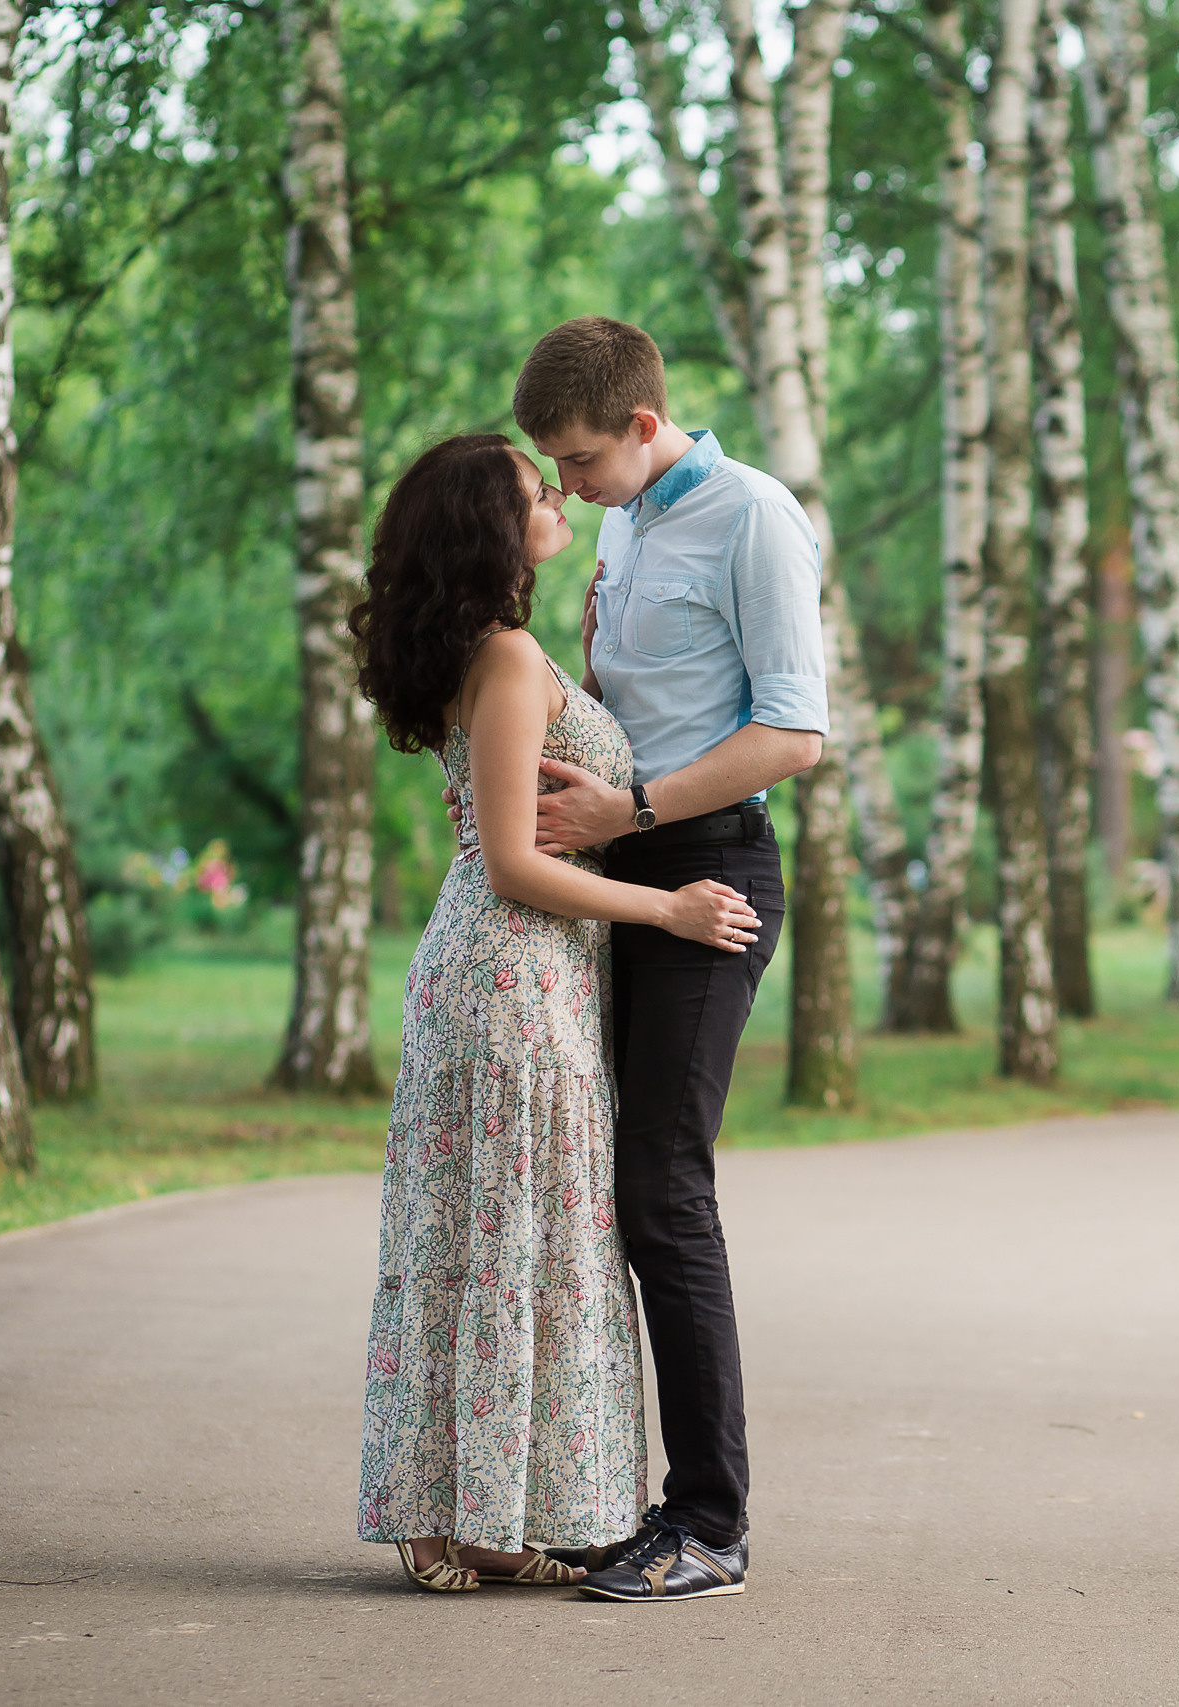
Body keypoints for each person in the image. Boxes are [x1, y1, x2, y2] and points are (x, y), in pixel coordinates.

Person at [449, 317, 827, 1602]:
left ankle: (708, 1526)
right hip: (611, 886)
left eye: (577, 461)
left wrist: (634, 812)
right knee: (603, 1190)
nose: (562, 488)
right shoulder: (627, 519)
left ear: (646, 428)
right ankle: (605, 1501)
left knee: (664, 1187)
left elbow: (792, 733)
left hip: (705, 869)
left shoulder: (753, 517)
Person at [351, 432, 765, 1594]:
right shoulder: (506, 657)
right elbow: (512, 865)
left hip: (523, 980)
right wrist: (665, 910)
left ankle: (484, 1513)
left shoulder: (507, 654)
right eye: (539, 489)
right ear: (495, 529)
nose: (559, 493)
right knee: (500, 1244)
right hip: (510, 978)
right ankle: (444, 1516)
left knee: (498, 1242)